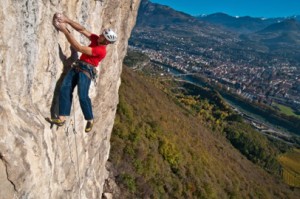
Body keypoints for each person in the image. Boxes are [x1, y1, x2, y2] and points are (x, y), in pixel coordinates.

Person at [49, 13, 117, 133]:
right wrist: (67, 20)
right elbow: (82, 30)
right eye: (102, 34)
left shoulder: (101, 51)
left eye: (102, 36)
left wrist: (65, 30)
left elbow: (79, 48)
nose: (100, 35)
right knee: (65, 88)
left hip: (86, 71)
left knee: (82, 95)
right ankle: (62, 118)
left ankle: (90, 119)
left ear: (106, 41)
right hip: (78, 66)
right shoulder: (97, 39)